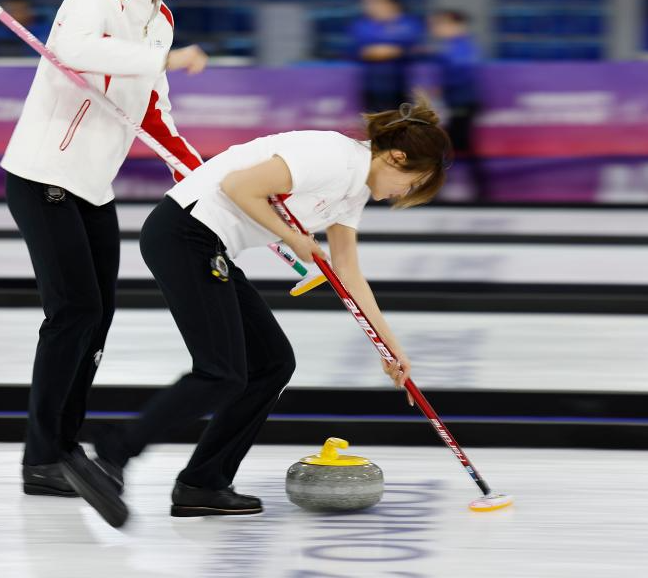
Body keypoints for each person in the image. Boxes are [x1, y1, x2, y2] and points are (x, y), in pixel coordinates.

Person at [60, 96, 453, 527]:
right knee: (221, 371)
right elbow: (239, 186)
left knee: (272, 363)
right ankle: (111, 454)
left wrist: (391, 350)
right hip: (185, 233)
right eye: (412, 183)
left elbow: (349, 273)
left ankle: (203, 484)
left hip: (210, 245)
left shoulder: (353, 191)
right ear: (396, 158)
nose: (403, 194)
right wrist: (294, 238)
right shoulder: (333, 157)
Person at [1, 0, 207, 498]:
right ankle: (41, 458)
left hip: (92, 186)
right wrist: (161, 58)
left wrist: (204, 180)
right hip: (45, 173)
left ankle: (63, 448)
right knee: (74, 313)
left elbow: (156, 114)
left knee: (96, 319)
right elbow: (75, 51)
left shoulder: (160, 20)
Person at [428, 9, 487, 201]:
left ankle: (478, 189)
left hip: (463, 103)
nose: (435, 29)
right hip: (457, 102)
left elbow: (462, 72)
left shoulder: (462, 47)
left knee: (452, 145)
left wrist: (442, 88)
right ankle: (478, 188)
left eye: (438, 24)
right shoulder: (452, 47)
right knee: (456, 146)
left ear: (454, 25)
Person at [349, 0, 423, 113]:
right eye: (366, 2)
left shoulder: (409, 23)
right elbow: (360, 50)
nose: (369, 6)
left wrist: (392, 51)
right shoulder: (361, 25)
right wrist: (389, 50)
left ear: (392, 3)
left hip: (402, 84)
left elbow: (412, 48)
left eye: (375, 2)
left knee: (401, 120)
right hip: (370, 84)